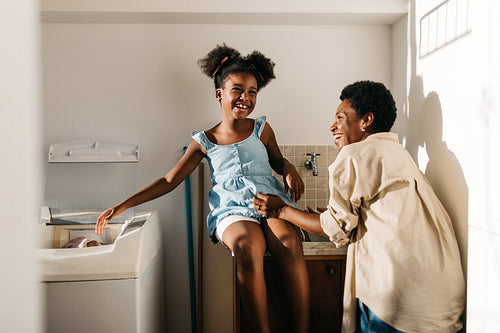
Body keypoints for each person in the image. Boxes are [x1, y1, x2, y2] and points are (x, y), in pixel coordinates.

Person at [95, 44, 310, 333]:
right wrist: (123, 204)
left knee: (289, 242)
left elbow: (278, 161)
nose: (245, 98)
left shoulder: (262, 129)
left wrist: (290, 169)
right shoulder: (205, 140)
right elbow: (170, 180)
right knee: (247, 247)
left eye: (252, 91)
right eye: (237, 89)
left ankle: (303, 328)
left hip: (270, 203)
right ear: (219, 93)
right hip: (233, 210)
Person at [254, 81, 465, 333]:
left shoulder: (354, 154)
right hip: (443, 300)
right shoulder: (398, 153)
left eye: (340, 117)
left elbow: (334, 229)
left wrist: (282, 210)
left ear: (366, 120)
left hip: (398, 304)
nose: (333, 126)